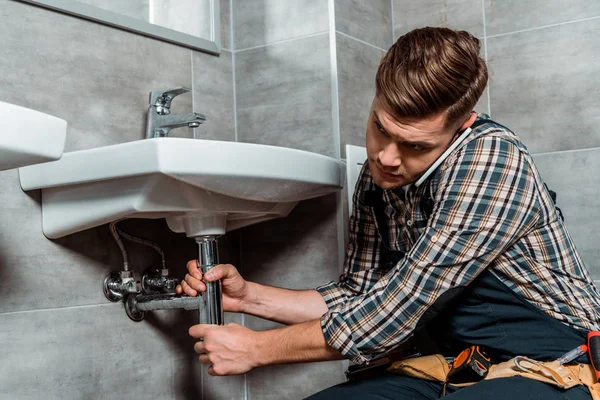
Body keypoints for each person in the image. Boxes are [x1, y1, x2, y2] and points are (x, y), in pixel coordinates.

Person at [176, 27, 600, 399]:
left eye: (416, 146)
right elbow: (359, 295)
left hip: (558, 364)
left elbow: (399, 307)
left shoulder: (491, 159)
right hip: (456, 365)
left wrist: (258, 349)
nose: (386, 157)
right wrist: (251, 297)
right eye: (381, 128)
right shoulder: (380, 177)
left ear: (462, 126)